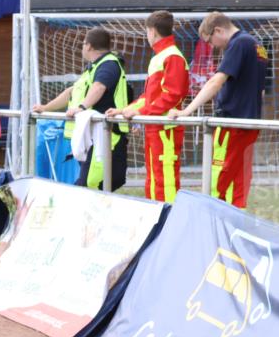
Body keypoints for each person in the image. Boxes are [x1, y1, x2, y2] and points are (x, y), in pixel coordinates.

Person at [170, 11, 269, 209]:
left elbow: (216, 81)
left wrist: (186, 111)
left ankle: (212, 219)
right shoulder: (256, 45)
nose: (213, 47)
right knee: (238, 181)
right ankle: (235, 221)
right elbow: (262, 91)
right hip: (249, 123)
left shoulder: (238, 44)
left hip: (232, 124)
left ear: (218, 30)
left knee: (218, 179)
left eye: (210, 41)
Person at [106, 11, 189, 202]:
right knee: (154, 176)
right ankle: (157, 213)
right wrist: (125, 110)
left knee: (165, 179)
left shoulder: (172, 56)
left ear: (152, 31)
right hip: (156, 127)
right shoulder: (161, 56)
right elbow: (150, 97)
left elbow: (172, 95)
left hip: (166, 129)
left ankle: (168, 216)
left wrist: (141, 111)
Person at [34, 27, 129, 191]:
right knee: (90, 183)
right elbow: (71, 92)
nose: (82, 47)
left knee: (91, 184)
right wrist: (45, 108)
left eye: (83, 43)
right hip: (90, 136)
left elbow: (99, 87)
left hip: (106, 136)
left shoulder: (108, 64)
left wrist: (81, 107)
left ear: (89, 46)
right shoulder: (92, 68)